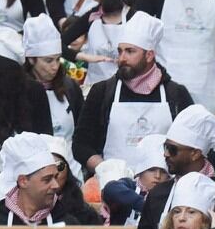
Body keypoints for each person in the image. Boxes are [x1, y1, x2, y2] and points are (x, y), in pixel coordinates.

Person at [72, 13, 191, 171]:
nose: (122, 58)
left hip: (162, 187)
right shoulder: (102, 92)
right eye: (120, 51)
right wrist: (105, 169)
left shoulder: (175, 94)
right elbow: (81, 144)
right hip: (112, 186)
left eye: (130, 51)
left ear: (149, 55)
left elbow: (190, 146)